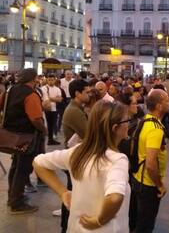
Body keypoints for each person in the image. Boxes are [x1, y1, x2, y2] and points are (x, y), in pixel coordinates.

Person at [33, 101, 131, 232]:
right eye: (126, 121)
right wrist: (99, 220)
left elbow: (38, 162)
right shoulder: (117, 160)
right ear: (115, 128)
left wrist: (63, 192)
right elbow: (115, 197)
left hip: (77, 227)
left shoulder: (77, 151)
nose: (128, 124)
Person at [1, 68, 47, 214]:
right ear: (33, 79)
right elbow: (35, 119)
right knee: (23, 169)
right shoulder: (31, 95)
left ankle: (12, 197)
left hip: (12, 136)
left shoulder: (10, 90)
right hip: (26, 137)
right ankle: (17, 203)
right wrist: (44, 129)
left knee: (16, 166)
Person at [133, 89, 169, 232]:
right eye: (167, 100)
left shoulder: (146, 120)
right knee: (145, 225)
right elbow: (151, 164)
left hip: (139, 178)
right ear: (159, 106)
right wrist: (159, 185)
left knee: (140, 221)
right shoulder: (155, 129)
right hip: (148, 184)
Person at [59, 79, 90, 231]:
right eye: (87, 92)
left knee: (73, 193)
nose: (89, 94)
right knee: (72, 195)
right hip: (75, 158)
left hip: (76, 156)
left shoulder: (77, 108)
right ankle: (66, 226)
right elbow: (89, 134)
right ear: (78, 93)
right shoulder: (74, 111)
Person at [42, 74, 63, 145]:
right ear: (47, 80)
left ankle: (51, 139)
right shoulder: (44, 88)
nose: (51, 81)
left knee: (52, 124)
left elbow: (60, 100)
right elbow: (45, 99)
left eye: (52, 80)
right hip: (47, 109)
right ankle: (49, 139)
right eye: (49, 80)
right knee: (48, 124)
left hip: (55, 109)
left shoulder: (57, 89)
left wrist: (50, 98)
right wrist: (55, 99)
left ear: (55, 80)